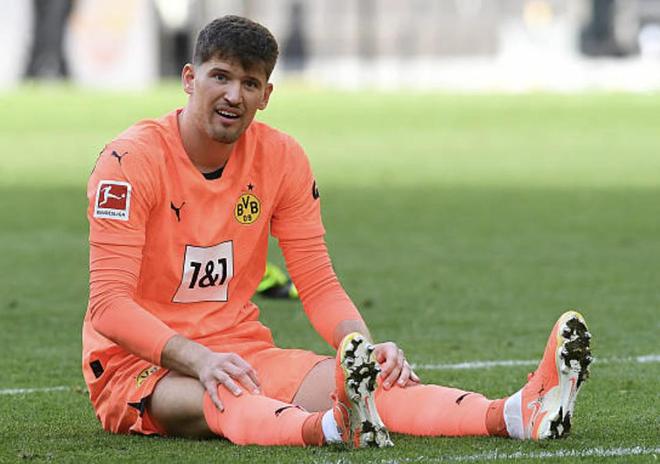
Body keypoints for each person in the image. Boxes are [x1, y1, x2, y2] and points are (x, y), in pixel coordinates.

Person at [83, 15, 592, 447]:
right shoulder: (129, 162)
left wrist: (360, 350)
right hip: (138, 366)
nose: (233, 95)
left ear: (266, 95)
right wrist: (200, 359)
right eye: (221, 77)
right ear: (190, 79)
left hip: (241, 350)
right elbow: (109, 306)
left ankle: (513, 413)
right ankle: (329, 428)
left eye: (250, 84)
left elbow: (318, 282)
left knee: (375, 386)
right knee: (226, 394)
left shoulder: (281, 157)